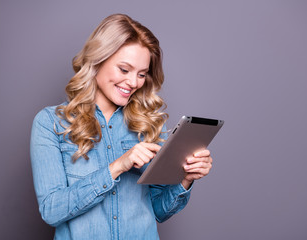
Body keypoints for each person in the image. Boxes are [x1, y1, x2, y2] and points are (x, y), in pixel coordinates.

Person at [30, 14, 213, 239]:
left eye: (142, 74)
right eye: (124, 70)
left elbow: (158, 211)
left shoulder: (148, 125)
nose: (134, 82)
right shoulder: (51, 123)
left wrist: (186, 177)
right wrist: (118, 166)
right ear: (97, 60)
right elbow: (52, 210)